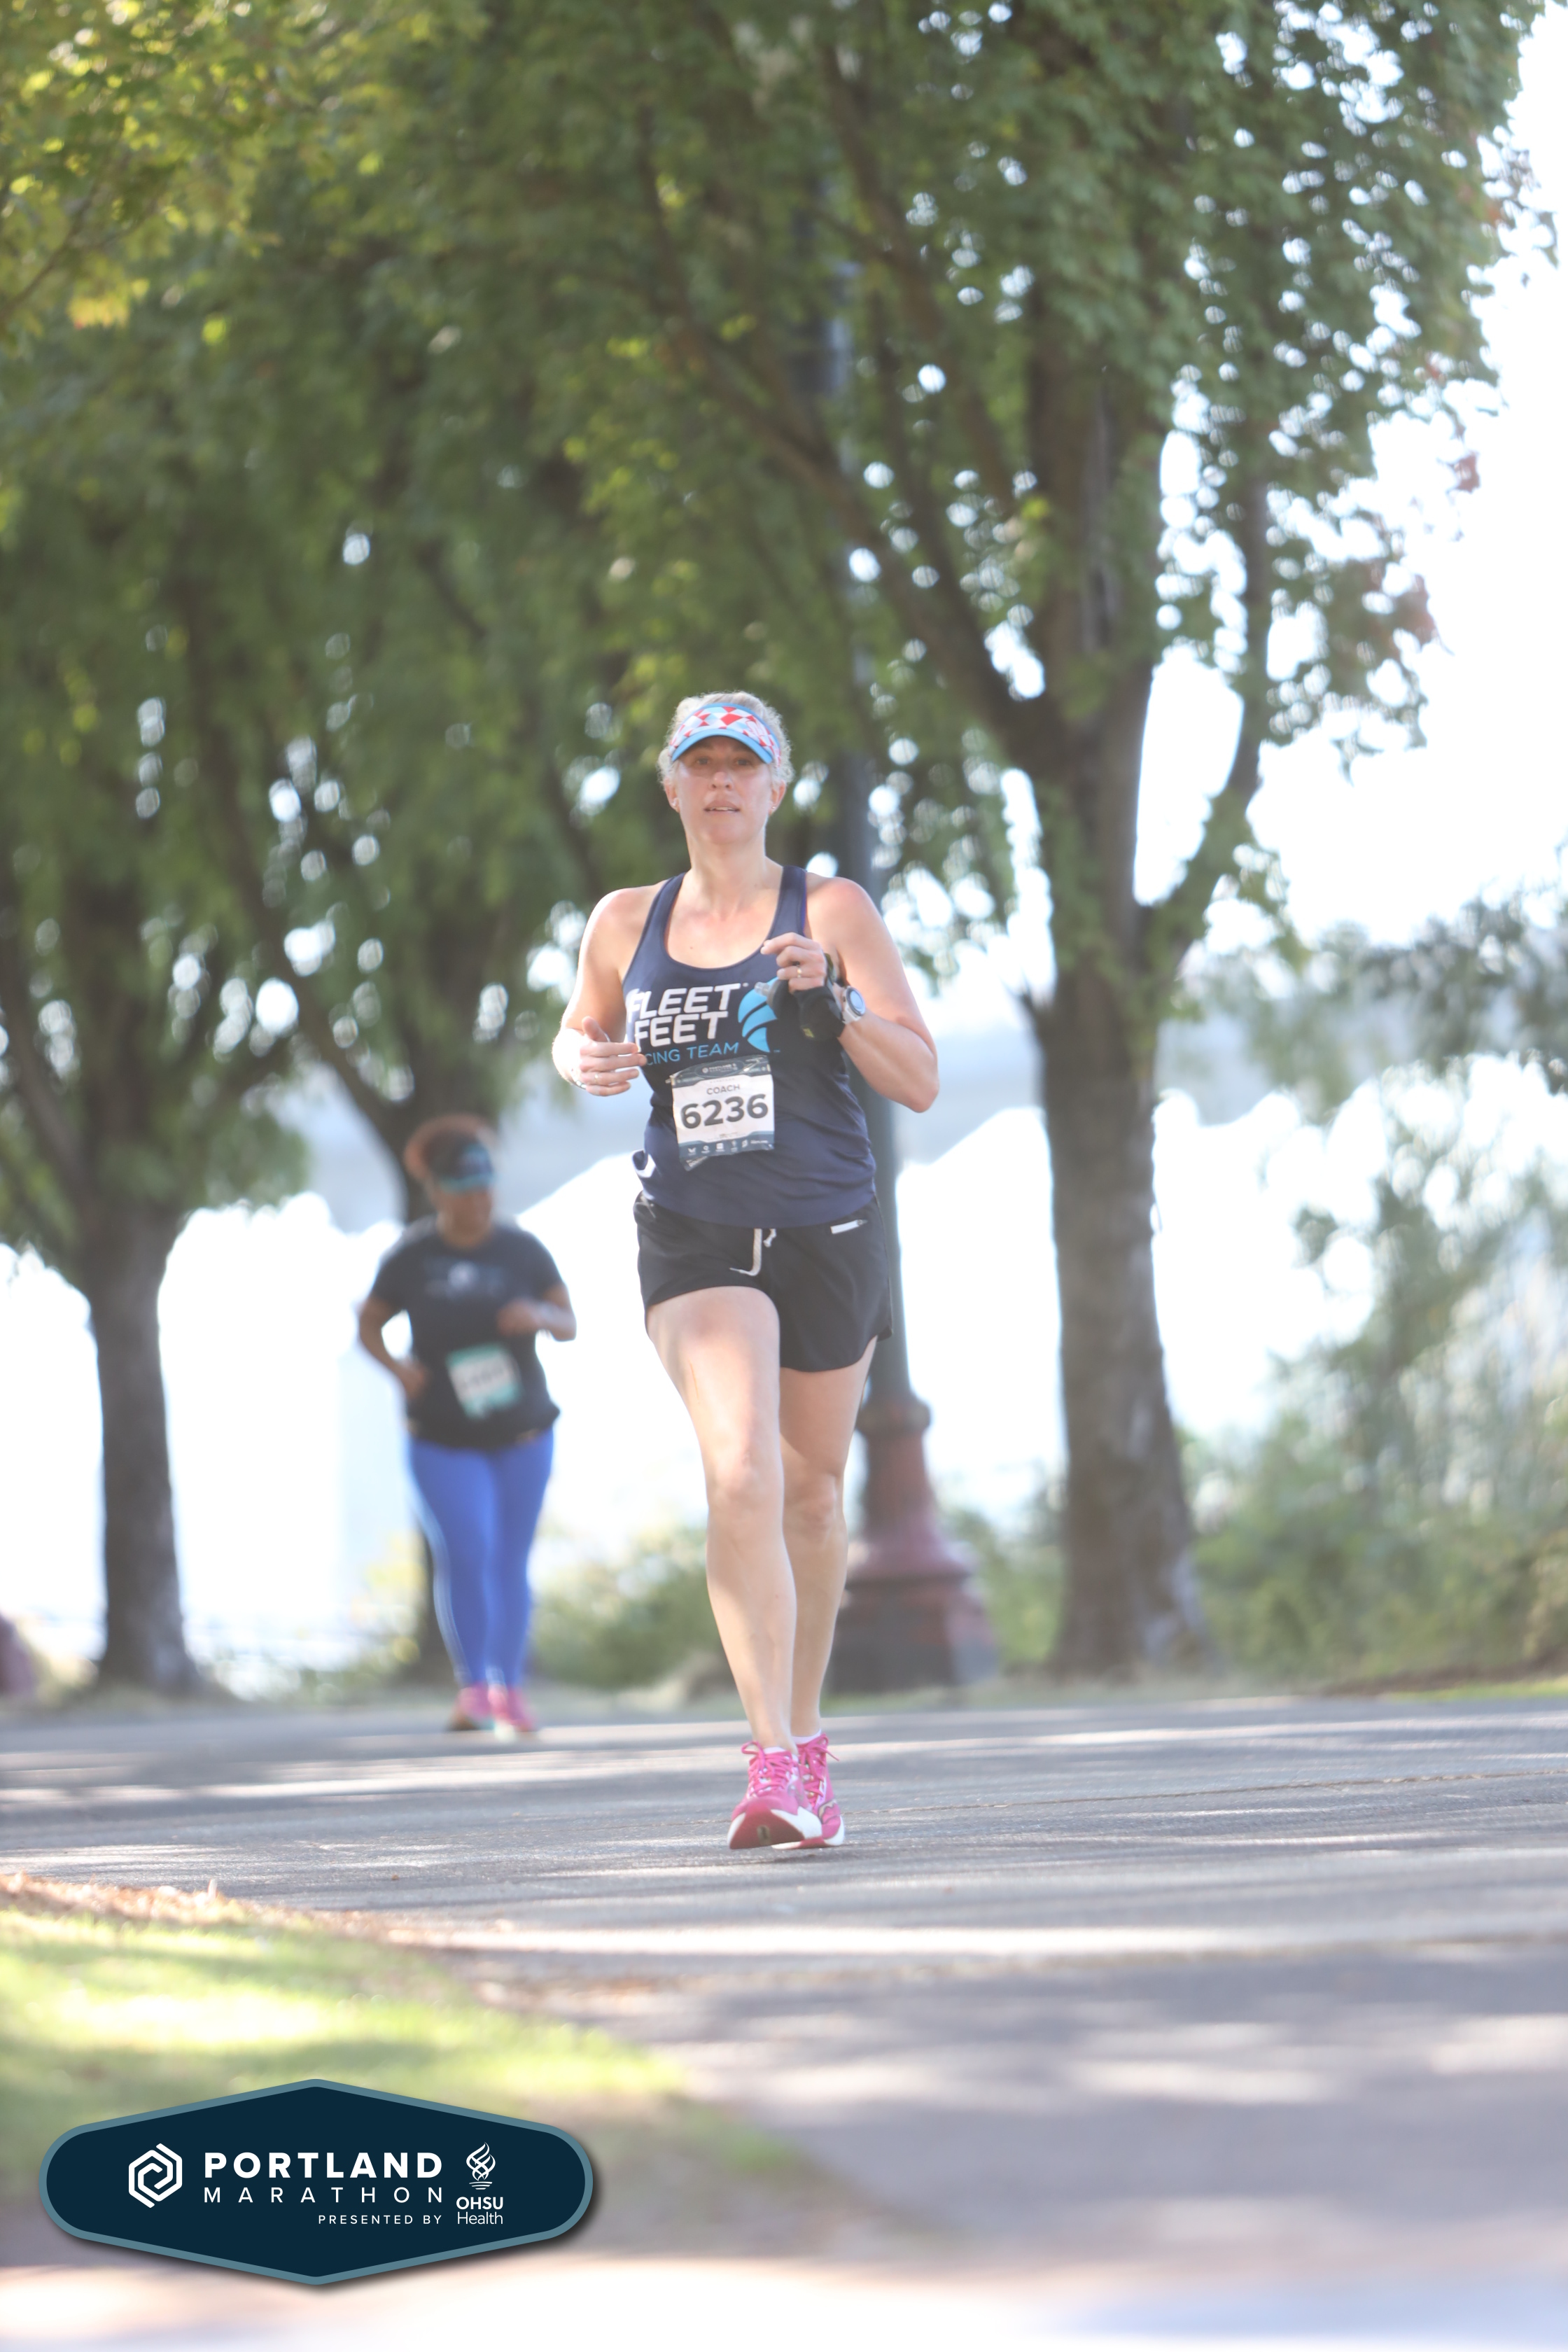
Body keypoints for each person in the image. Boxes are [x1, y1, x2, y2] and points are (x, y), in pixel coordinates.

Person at [553, 692, 937, 1848]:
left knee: (812, 1494)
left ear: (775, 785)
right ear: (671, 785)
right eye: (702, 764)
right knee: (741, 1474)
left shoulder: (832, 907)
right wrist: (583, 1058)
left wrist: (837, 998)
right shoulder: (625, 921)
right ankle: (770, 1763)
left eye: (742, 765)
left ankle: (806, 1742)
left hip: (827, 1225)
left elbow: (916, 1077)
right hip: (694, 1226)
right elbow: (580, 1028)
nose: (721, 783)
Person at [356, 1117, 575, 1735]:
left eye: (487, 1186)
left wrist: (538, 1314)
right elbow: (369, 1323)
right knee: (468, 1549)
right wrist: (397, 1369)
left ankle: (510, 1689)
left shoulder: (522, 1250)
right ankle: (474, 1687)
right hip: (442, 1437)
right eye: (466, 1189)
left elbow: (569, 1322)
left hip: (523, 1433)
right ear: (437, 1192)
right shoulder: (412, 1257)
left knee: (510, 1558)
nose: (480, 1200)